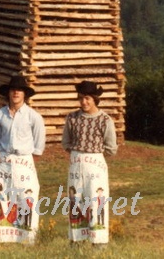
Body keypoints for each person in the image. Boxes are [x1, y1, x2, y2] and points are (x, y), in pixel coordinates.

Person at [0, 74, 46, 243]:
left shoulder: (33, 116)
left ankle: (27, 238)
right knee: (3, 196)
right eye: (13, 90)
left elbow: (39, 143)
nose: (16, 93)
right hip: (5, 159)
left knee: (25, 197)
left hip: (24, 160)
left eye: (19, 90)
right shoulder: (0, 115)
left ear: (24, 94)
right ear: (8, 93)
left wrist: (28, 161)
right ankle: (3, 238)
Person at [61, 80, 117, 245]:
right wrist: (77, 153)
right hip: (76, 163)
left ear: (94, 99)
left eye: (87, 98)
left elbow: (111, 148)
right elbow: (66, 142)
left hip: (96, 164)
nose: (83, 102)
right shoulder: (72, 118)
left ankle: (98, 242)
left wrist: (94, 156)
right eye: (81, 98)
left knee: (96, 199)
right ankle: (76, 241)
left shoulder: (105, 120)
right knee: (76, 199)